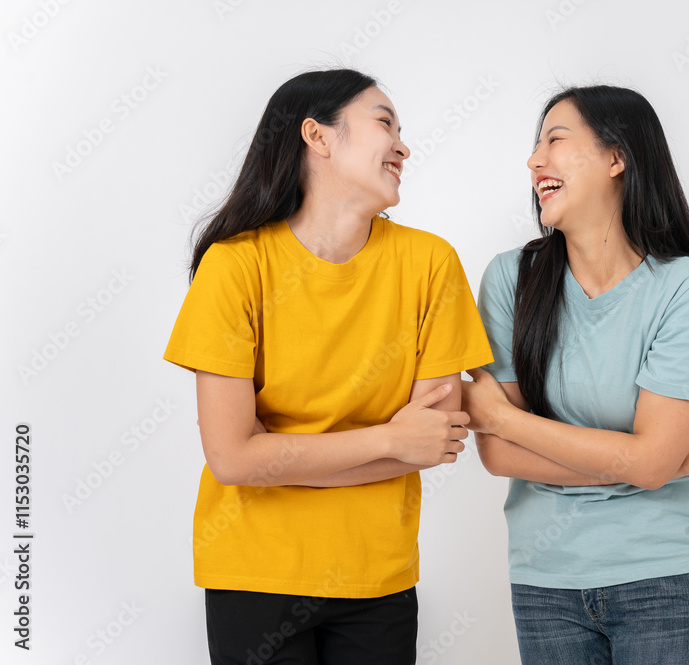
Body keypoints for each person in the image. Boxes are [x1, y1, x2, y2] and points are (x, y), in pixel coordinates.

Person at [163, 68, 493, 665]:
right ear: (317, 137)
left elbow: (432, 440)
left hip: (379, 579)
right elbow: (232, 457)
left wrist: (280, 461)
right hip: (254, 574)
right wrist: (389, 439)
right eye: (384, 122)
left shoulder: (431, 264)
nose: (403, 144)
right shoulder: (234, 266)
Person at [462, 84, 689, 664]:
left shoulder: (688, 289)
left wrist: (502, 417)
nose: (535, 161)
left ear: (617, 157)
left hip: (664, 579)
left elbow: (507, 433)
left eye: (555, 140)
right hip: (544, 580)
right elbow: (497, 455)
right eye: (535, 146)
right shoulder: (511, 279)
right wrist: (638, 462)